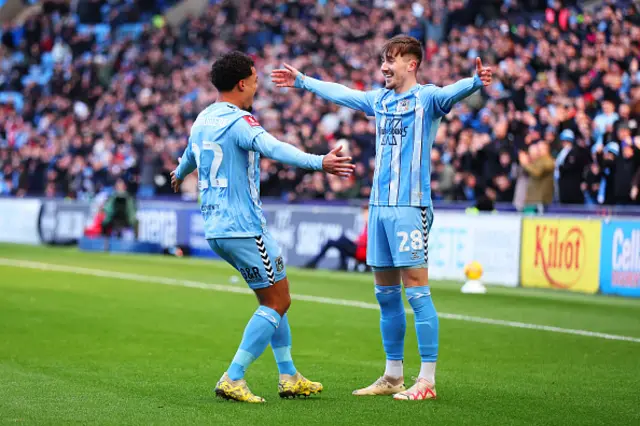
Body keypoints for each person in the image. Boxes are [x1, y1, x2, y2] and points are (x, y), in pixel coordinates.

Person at [272, 35, 492, 401]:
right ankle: (393, 375)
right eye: (382, 61)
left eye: (392, 60)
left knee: (418, 293)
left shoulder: (427, 98)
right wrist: (303, 81)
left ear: (412, 64)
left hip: (410, 207)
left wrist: (474, 81)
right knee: (386, 296)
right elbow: (342, 93)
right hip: (378, 207)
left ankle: (427, 381)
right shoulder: (380, 100)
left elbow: (453, 93)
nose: (384, 67)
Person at [170, 51, 355, 403]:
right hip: (243, 226)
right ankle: (233, 376)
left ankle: (288, 376)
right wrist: (319, 162)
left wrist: (178, 175)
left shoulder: (203, 119)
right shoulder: (240, 121)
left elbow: (191, 155)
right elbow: (272, 147)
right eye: (255, 80)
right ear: (242, 83)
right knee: (279, 299)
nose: (257, 86)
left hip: (215, 226)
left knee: (270, 299)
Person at [304, 204, 368, 271]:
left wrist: (357, 240)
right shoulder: (366, 225)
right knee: (341, 242)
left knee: (338, 241)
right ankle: (342, 265)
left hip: (361, 251)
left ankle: (314, 263)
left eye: (365, 213)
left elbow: (367, 241)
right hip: (360, 249)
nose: (363, 215)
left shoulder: (372, 226)